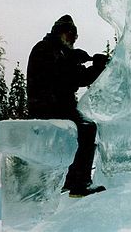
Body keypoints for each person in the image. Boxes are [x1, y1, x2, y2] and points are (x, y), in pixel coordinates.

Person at [27, 14, 108, 197]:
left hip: (55, 105)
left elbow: (77, 75)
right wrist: (90, 64)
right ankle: (79, 183)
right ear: (62, 34)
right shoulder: (47, 50)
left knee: (86, 128)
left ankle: (73, 180)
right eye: (72, 37)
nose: (73, 41)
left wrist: (92, 65)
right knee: (88, 129)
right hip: (49, 106)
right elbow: (73, 78)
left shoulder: (55, 50)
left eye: (75, 38)